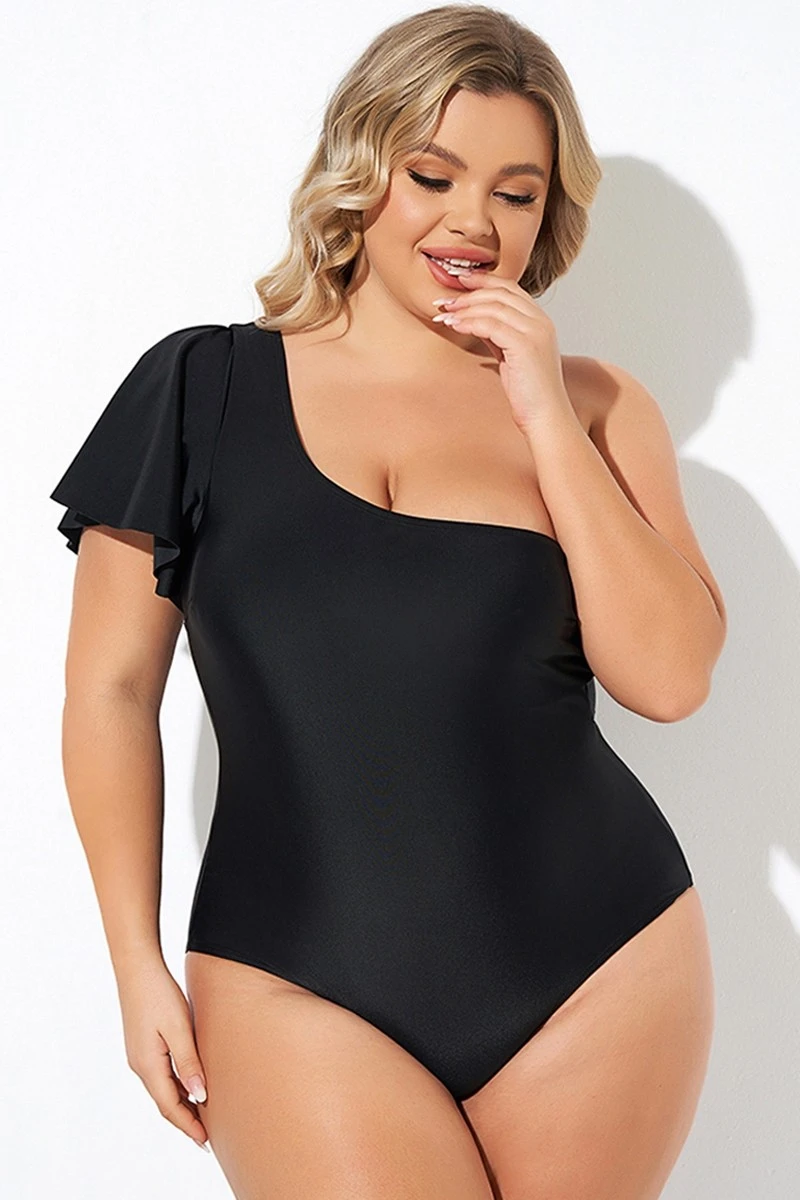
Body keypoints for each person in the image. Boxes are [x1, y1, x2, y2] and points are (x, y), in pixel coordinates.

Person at [50, 5, 726, 1197]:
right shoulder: (203, 388)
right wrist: (131, 960)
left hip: (598, 964)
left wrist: (541, 412)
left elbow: (667, 680)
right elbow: (110, 690)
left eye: (515, 194)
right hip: (290, 979)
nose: (473, 222)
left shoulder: (597, 406)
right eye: (432, 175)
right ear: (360, 170)